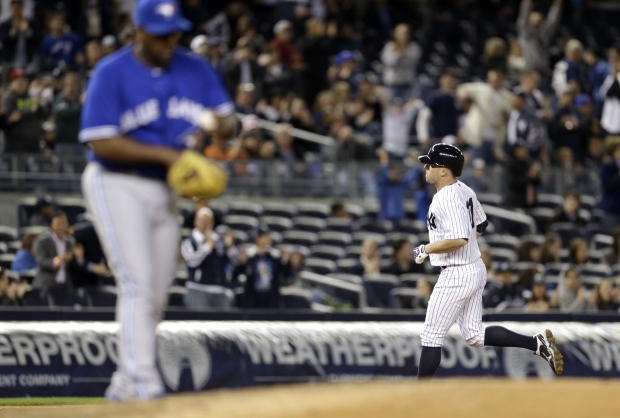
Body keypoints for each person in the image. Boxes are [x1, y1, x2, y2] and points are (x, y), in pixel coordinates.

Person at [78, 0, 236, 402]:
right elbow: (100, 139)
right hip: (115, 182)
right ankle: (145, 382)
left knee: (158, 291)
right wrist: (169, 156)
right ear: (138, 30)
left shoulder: (195, 68)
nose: (170, 40)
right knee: (137, 283)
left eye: (175, 32)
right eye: (160, 33)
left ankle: (124, 386)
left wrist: (222, 126)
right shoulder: (111, 72)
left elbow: (229, 124)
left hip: (164, 189)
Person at [411, 143, 563, 379]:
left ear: (444, 170)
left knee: (431, 335)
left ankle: (416, 397)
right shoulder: (464, 190)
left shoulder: (446, 198)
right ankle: (536, 343)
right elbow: (480, 226)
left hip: (457, 272)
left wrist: (426, 248)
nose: (426, 167)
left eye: (430, 164)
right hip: (473, 267)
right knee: (473, 334)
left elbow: (461, 238)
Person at [181, 207, 239, 308]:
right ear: (195, 222)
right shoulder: (189, 241)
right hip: (198, 289)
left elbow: (236, 262)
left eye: (209, 221)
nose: (206, 224)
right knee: (198, 322)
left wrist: (230, 247)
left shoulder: (220, 240)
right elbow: (192, 262)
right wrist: (207, 245)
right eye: (203, 220)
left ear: (212, 223)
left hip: (220, 290)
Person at [32, 211, 77, 288]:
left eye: (63, 223)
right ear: (51, 225)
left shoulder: (71, 242)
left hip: (66, 285)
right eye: (58, 223)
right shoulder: (42, 241)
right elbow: (41, 261)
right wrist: (59, 260)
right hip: (46, 285)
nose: (61, 227)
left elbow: (75, 265)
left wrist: (77, 257)